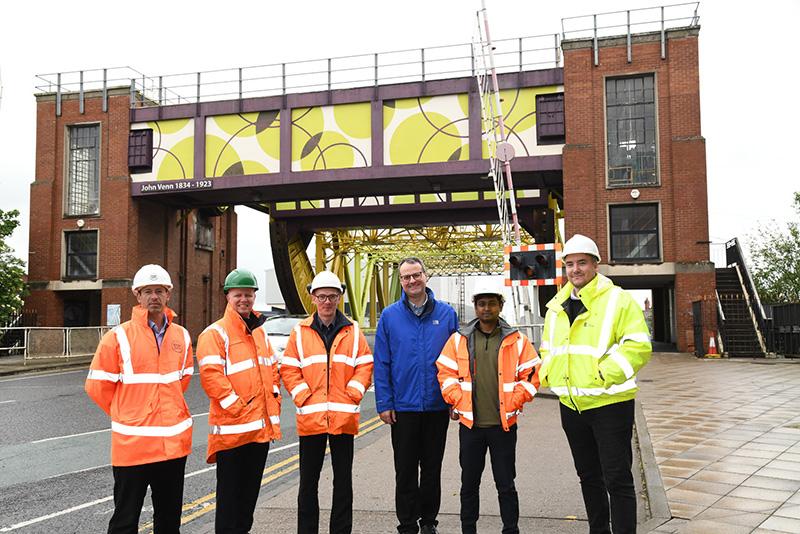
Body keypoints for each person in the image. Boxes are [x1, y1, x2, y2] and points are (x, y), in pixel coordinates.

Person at [538, 234, 652, 534]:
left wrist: (603, 374)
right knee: (588, 477)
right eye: (570, 264)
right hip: (572, 405)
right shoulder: (556, 306)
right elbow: (548, 348)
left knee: (617, 479)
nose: (576, 269)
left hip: (610, 405)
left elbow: (638, 346)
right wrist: (549, 373)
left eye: (582, 263)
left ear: (595, 265)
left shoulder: (618, 300)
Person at [85, 264, 194, 534]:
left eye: (159, 291)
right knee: (125, 520)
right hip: (133, 447)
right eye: (148, 291)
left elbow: (183, 380)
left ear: (168, 295)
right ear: (138, 296)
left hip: (172, 446)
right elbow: (97, 386)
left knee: (169, 521)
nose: (154, 296)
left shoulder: (182, 335)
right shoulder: (118, 337)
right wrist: (127, 413)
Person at [436, 283, 540, 534]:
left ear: (500, 306)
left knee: (505, 484)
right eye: (481, 304)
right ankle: (468, 529)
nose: (486, 308)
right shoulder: (459, 340)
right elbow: (445, 372)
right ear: (475, 307)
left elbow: (532, 375)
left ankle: (510, 529)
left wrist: (515, 401)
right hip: (471, 427)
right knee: (469, 483)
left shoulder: (517, 340)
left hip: (503, 426)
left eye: (491, 303)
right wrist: (457, 399)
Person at [280, 271, 373, 534]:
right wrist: (302, 396)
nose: (327, 302)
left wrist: (352, 393)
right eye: (322, 296)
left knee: (343, 482)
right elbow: (289, 368)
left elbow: (365, 365)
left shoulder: (353, 331)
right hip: (311, 418)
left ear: (340, 298)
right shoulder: (300, 332)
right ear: (313, 298)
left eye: (332, 296)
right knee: (308, 482)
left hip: (343, 418)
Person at [373, 257, 458, 534]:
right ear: (400, 281)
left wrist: (456, 399)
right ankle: (407, 523)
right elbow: (382, 362)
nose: (412, 281)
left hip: (436, 405)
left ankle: (429, 521)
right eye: (406, 277)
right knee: (406, 470)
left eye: (416, 275)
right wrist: (385, 403)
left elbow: (457, 360)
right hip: (404, 407)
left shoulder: (446, 314)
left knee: (432, 469)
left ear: (425, 276)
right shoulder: (389, 316)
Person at [197, 268, 282, 534]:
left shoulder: (258, 332)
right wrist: (239, 409)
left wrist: (275, 399)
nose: (244, 299)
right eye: (238, 295)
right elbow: (212, 378)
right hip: (233, 433)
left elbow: (273, 369)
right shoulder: (215, 334)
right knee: (229, 501)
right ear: (227, 297)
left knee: (248, 500)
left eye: (248, 294)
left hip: (259, 432)